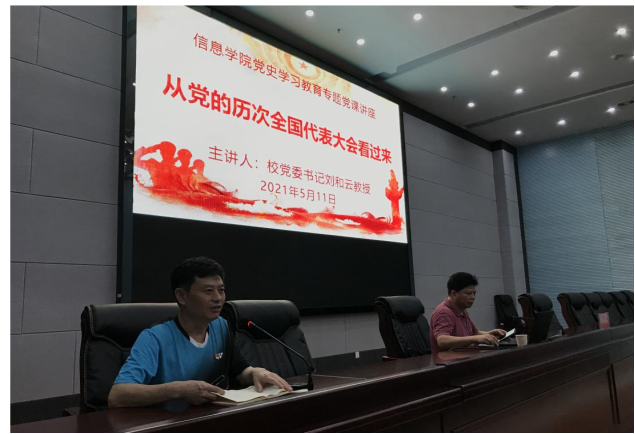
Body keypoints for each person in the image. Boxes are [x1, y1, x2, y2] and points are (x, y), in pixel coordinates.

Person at [108, 257, 292, 411]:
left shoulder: (220, 326)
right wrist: (178, 390)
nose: (218, 298)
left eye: (221, 290)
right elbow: (117, 395)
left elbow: (239, 370)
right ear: (181, 296)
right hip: (168, 424)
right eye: (208, 291)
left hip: (210, 420)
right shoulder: (154, 338)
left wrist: (254, 373)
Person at [430, 272, 506, 352]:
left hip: (467, 356)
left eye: (474, 293)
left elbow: (474, 333)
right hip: (452, 359)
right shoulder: (443, 312)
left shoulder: (462, 310)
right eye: (468, 293)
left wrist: (490, 334)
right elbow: (442, 341)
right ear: (454, 293)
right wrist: (475, 338)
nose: (473, 297)